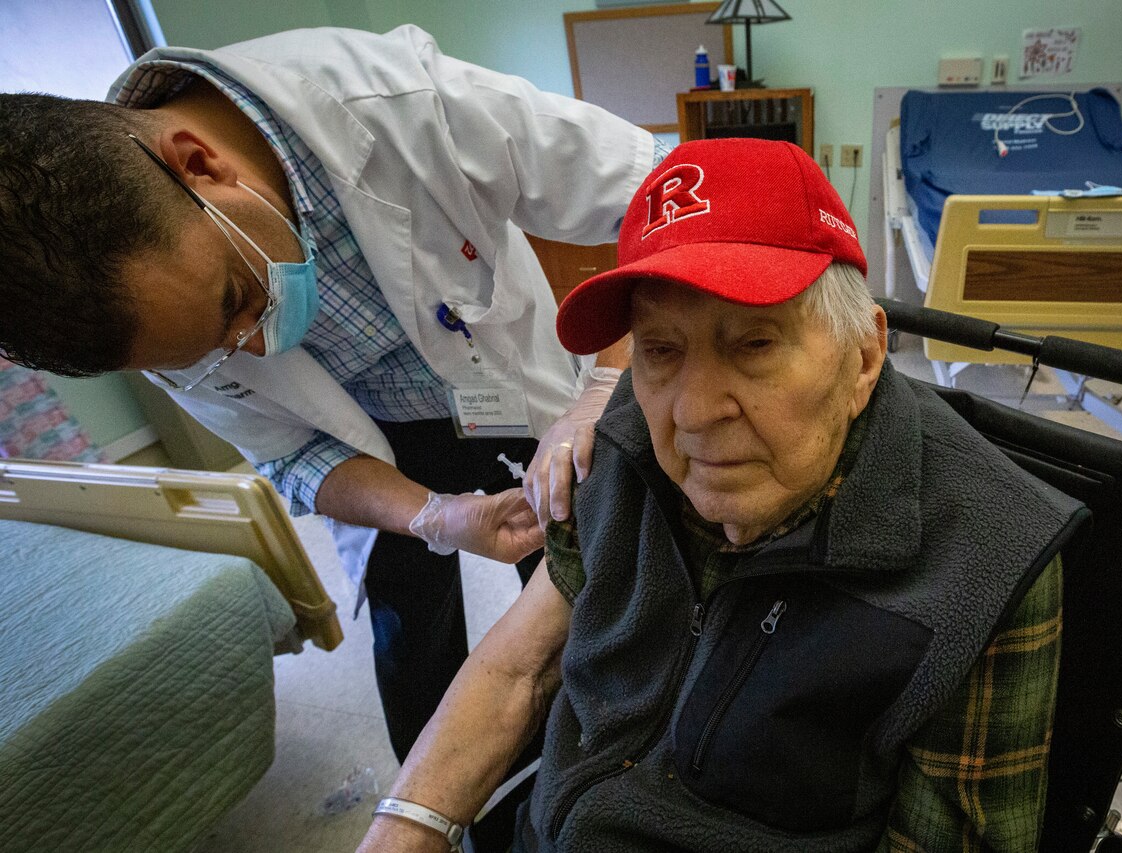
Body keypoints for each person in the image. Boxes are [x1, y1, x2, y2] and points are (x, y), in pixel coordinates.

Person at [0, 25, 661, 844]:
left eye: (233, 300)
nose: (252, 345)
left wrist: (605, 382)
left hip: (511, 395)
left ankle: (600, 763)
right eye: (207, 352)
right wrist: (432, 517)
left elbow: (662, 194)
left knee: (577, 580)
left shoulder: (397, 106)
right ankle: (474, 819)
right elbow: (292, 451)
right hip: (370, 442)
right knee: (410, 640)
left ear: (198, 164)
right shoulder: (144, 303)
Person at [357, 137, 1090, 853]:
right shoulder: (622, 436)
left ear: (863, 357)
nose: (693, 410)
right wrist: (404, 825)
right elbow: (517, 664)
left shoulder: (986, 565)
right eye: (662, 350)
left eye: (753, 344)